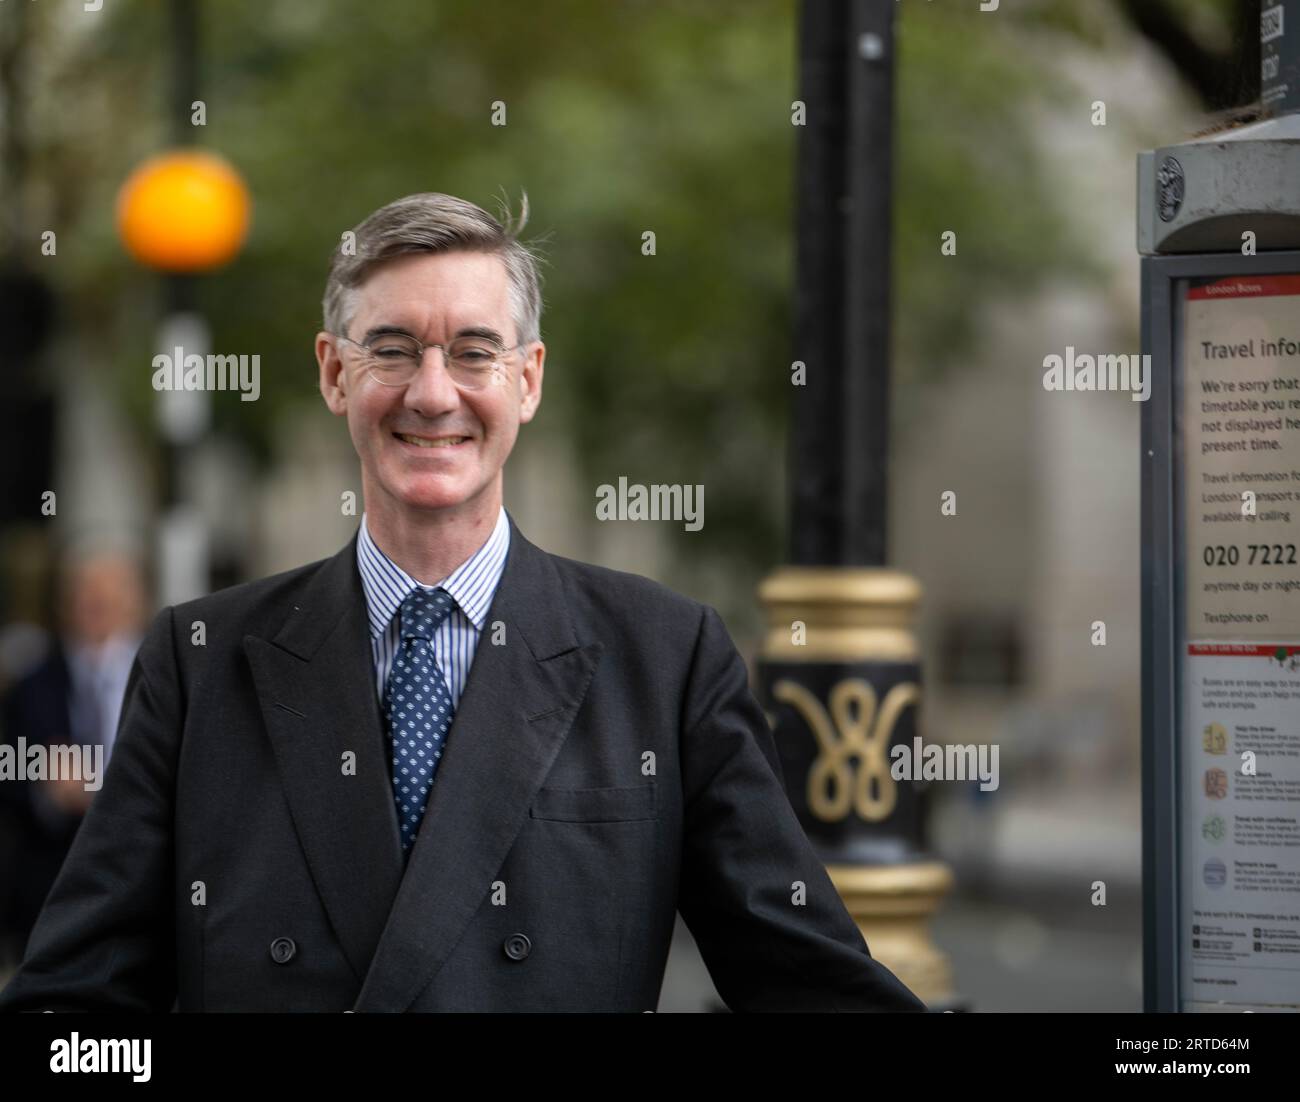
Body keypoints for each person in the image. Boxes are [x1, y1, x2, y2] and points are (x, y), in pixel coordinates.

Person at [0, 192, 925, 1012]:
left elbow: (807, 980)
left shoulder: (665, 656)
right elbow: (73, 1012)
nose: (432, 392)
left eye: (474, 352)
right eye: (392, 349)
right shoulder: (199, 661)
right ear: (334, 373)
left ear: (527, 379)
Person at [0, 548, 145, 966]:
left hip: (143, 886)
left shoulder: (170, 675)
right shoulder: (30, 685)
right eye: (85, 590)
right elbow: (9, 776)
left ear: (136, 597)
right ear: (65, 601)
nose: (96, 601)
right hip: (52, 893)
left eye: (109, 589)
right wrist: (47, 790)